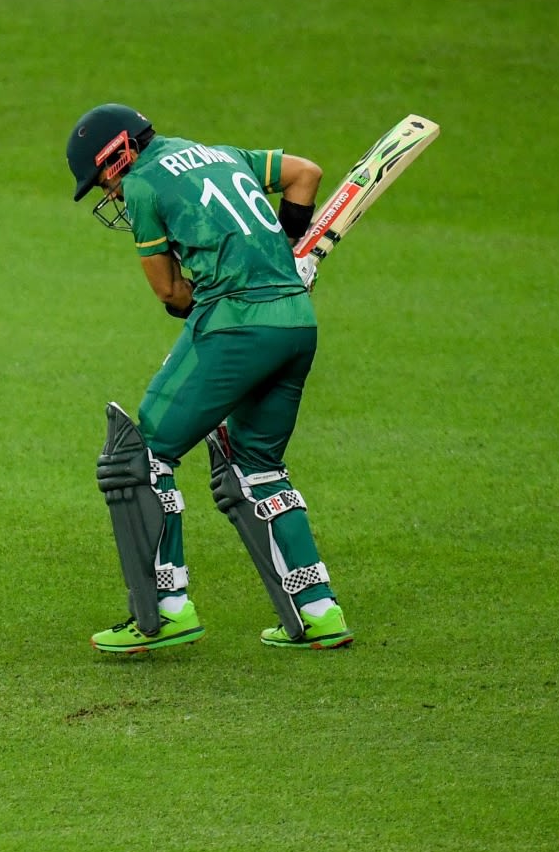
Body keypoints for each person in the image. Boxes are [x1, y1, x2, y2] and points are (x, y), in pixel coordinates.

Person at [64, 103, 353, 653]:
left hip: (234, 327)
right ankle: (318, 612)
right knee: (258, 466)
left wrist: (225, 289)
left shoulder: (145, 184)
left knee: (141, 455)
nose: (108, 193)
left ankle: (165, 611)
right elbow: (305, 174)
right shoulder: (224, 154)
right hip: (295, 321)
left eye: (102, 178)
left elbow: (171, 294)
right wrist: (288, 256)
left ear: (119, 153)